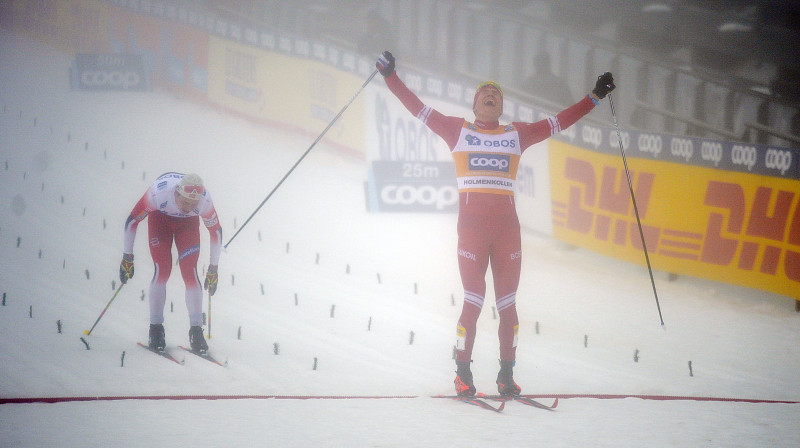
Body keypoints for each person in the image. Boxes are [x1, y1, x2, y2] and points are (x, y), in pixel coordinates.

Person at [376, 51, 614, 397]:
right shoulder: (457, 129)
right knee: (473, 301)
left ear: (502, 106)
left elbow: (558, 122)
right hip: (471, 234)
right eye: (484, 93)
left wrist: (595, 96)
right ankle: (462, 374)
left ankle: (506, 376)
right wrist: (390, 76)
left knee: (509, 307)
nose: (491, 95)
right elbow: (417, 107)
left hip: (507, 235)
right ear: (475, 104)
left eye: (497, 94)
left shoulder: (517, 134)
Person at [119, 172, 222, 353]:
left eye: (193, 204)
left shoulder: (204, 202)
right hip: (160, 220)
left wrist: (214, 268)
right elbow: (131, 221)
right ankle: (156, 329)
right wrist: (128, 257)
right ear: (177, 193)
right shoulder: (158, 194)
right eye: (185, 202)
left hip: (187, 226)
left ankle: (196, 331)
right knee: (163, 270)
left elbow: (216, 232)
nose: (188, 206)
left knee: (190, 272)